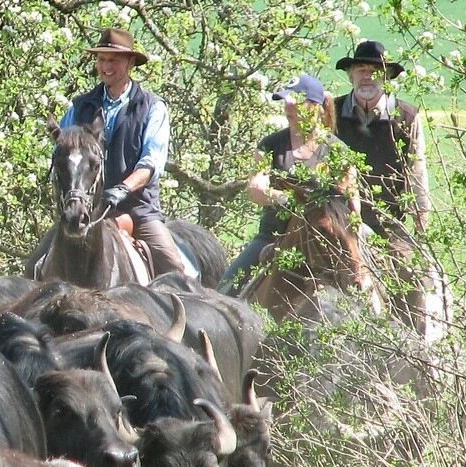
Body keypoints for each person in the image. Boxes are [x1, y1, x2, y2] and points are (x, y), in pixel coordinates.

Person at [220, 74, 368, 294]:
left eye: (297, 101)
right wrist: (281, 198)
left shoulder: (337, 151)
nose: (289, 106)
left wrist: (357, 237)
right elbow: (255, 189)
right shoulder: (270, 145)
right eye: (286, 101)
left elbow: (352, 203)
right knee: (226, 288)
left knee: (368, 286)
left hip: (327, 241)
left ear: (316, 106)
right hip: (274, 236)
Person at [58, 27, 187, 276]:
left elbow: (150, 164)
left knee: (175, 270)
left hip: (137, 210)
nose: (106, 66)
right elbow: (63, 151)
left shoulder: (152, 107)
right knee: (34, 267)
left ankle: (186, 309)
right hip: (85, 210)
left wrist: (122, 189)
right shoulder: (79, 106)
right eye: (102, 59)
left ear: (130, 62)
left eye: (113, 60)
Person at [334, 40, 431, 237]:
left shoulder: (406, 117)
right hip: (338, 222)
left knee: (410, 268)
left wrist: (421, 228)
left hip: (390, 224)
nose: (368, 76)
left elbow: (417, 173)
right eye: (361, 70)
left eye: (375, 70)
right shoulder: (332, 112)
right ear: (350, 75)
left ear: (387, 77)